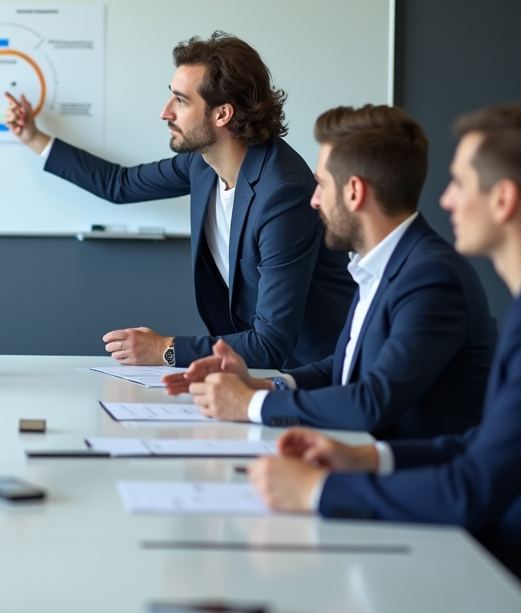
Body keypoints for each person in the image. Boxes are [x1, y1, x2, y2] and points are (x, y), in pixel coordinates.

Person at [248, 106, 521, 584]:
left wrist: (318, 489)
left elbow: (472, 486)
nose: (445, 200)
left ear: (503, 200)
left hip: (487, 563)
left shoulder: (431, 274)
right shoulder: (385, 265)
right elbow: (479, 446)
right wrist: (365, 457)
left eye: (459, 183)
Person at [5, 32, 354, 370]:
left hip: (316, 371)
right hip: (255, 366)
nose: (165, 112)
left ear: (222, 115)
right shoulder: (201, 163)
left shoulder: (282, 193)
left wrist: (164, 350)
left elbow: (272, 341)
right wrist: (34, 137)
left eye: (181, 100)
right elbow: (119, 184)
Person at [164, 106, 494, 439]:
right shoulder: (385, 263)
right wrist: (264, 383)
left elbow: (373, 401)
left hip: (413, 475)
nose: (314, 200)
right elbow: (344, 365)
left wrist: (252, 403)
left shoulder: (430, 276)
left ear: (354, 191)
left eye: (321, 185)